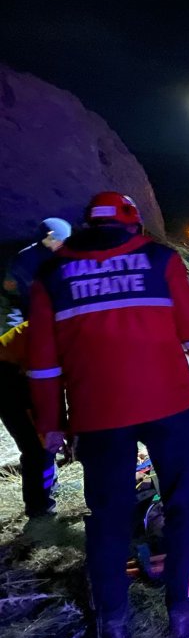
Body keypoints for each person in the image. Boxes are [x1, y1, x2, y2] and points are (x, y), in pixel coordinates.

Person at [26, 192, 189, 638]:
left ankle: (113, 622)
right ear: (133, 224)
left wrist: (51, 421)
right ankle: (185, 607)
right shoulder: (158, 260)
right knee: (183, 503)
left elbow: (42, 363)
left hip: (98, 416)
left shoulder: (52, 274)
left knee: (108, 515)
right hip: (170, 406)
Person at [0, 218, 71, 517]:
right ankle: (40, 509)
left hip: (26, 359)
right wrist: (58, 429)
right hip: (10, 374)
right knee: (38, 443)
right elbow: (48, 386)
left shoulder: (64, 260)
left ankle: (45, 491)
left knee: (45, 437)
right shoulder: (25, 262)